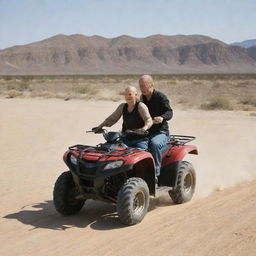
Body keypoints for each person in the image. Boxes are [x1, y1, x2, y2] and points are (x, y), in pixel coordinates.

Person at [92, 86, 153, 150]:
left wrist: (143, 129)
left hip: (140, 141)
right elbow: (111, 119)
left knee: (140, 155)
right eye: (126, 94)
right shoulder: (122, 106)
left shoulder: (140, 106)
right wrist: (100, 127)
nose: (127, 96)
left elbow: (149, 120)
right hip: (125, 139)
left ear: (135, 95)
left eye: (130, 94)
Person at [139, 75, 173, 178]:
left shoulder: (160, 97)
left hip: (160, 132)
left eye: (144, 86)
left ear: (151, 85)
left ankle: (155, 174)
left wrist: (162, 117)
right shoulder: (142, 99)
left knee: (154, 144)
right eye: (140, 86)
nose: (142, 88)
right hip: (146, 131)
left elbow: (169, 112)